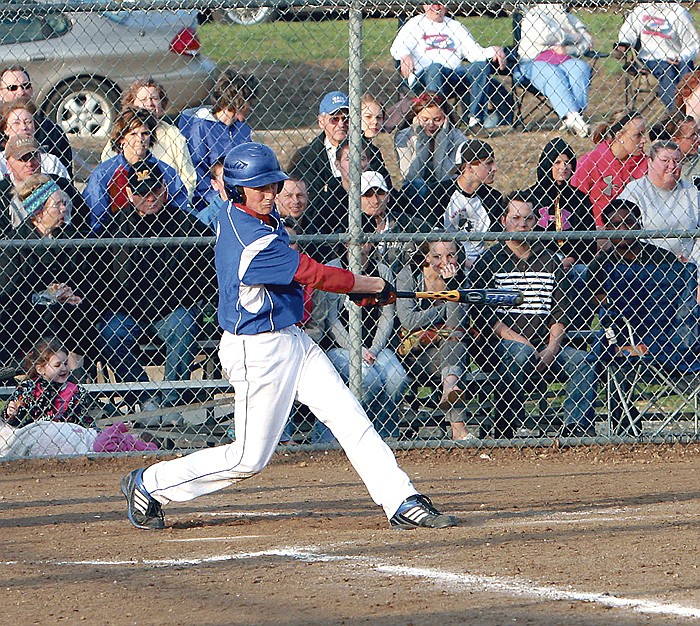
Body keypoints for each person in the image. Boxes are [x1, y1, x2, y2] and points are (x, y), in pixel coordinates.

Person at [120, 141, 458, 531]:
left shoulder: (249, 214)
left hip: (292, 341)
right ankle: (150, 484)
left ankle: (401, 499)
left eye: (272, 186)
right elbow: (315, 274)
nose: (269, 195)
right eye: (258, 188)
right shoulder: (252, 241)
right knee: (249, 458)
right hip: (257, 349)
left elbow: (301, 282)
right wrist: (369, 284)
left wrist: (364, 289)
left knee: (350, 416)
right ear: (235, 190)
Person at [469, 191, 598, 439]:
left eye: (528, 219)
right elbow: (484, 315)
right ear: (503, 220)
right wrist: (522, 342)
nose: (522, 225)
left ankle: (574, 428)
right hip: (503, 346)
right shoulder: (490, 260)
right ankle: (506, 425)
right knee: (520, 354)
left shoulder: (550, 260)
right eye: (516, 218)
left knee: (583, 360)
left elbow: (560, 313)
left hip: (545, 346)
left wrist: (551, 349)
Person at [86, 160, 215, 404]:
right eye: (141, 192)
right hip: (127, 311)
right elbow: (98, 277)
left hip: (170, 310)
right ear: (128, 193)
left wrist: (190, 297)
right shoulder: (114, 227)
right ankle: (145, 397)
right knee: (111, 331)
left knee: (184, 323)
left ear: (165, 186)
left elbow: (209, 270)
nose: (150, 198)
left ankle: (170, 398)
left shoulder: (185, 223)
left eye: (155, 190)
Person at [587, 198, 684, 435]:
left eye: (629, 222)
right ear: (607, 230)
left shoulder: (662, 259)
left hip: (668, 333)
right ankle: (626, 428)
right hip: (625, 334)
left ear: (639, 224)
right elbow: (595, 302)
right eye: (616, 224)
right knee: (611, 342)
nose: (623, 229)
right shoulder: (601, 264)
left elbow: (683, 297)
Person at [311, 242, 410, 441]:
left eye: (364, 241)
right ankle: (340, 435)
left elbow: (387, 316)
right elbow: (332, 321)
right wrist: (357, 350)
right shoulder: (334, 268)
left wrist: (373, 349)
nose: (360, 246)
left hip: (377, 348)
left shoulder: (381, 271)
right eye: (354, 241)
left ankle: (384, 434)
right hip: (340, 348)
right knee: (368, 380)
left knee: (397, 378)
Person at [0, 337, 158, 457]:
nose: (63, 368)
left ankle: (136, 442)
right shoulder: (28, 389)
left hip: (69, 435)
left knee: (96, 440)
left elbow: (84, 423)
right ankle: (131, 440)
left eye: (65, 363)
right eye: (57, 365)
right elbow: (21, 425)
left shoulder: (75, 391)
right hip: (42, 436)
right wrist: (11, 413)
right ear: (40, 369)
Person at [11, 174, 94, 376]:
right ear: (38, 211)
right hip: (29, 316)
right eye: (57, 205)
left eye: (64, 203)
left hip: (70, 309)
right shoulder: (17, 243)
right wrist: (47, 296)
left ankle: (75, 388)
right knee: (54, 315)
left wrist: (69, 293)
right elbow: (12, 293)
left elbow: (86, 277)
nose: (64, 209)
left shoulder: (71, 237)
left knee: (78, 315)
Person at [395, 239, 472, 441]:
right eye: (437, 256)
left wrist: (453, 285)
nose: (444, 262)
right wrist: (446, 306)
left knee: (454, 341)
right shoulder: (410, 275)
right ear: (427, 256)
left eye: (450, 255)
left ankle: (450, 389)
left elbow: (457, 324)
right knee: (455, 347)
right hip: (415, 354)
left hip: (450, 350)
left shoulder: (460, 277)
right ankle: (458, 427)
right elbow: (409, 320)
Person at [390, 1, 508, 128]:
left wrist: (494, 50)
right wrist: (404, 56)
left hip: (453, 77)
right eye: (431, 3)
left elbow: (476, 53)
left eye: (440, 3)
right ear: (424, 5)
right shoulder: (415, 24)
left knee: (481, 65)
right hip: (423, 78)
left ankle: (475, 120)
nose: (436, 7)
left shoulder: (455, 26)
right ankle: (439, 120)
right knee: (436, 67)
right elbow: (397, 47)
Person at [527, 137, 597, 334]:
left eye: (567, 162)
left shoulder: (580, 198)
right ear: (547, 164)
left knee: (584, 275)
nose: (563, 167)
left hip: (573, 262)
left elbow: (588, 239)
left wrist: (571, 258)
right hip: (540, 263)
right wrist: (550, 260)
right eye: (557, 162)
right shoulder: (532, 196)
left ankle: (578, 331)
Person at [84, 107, 190, 232]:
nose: (140, 139)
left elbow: (179, 210)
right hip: (117, 237)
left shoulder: (166, 172)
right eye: (133, 134)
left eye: (145, 133)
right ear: (122, 139)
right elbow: (96, 217)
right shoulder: (104, 173)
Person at [289, 90, 390, 219]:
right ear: (321, 121)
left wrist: (329, 187)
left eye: (346, 119)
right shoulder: (307, 157)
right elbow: (309, 199)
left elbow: (384, 189)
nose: (341, 124)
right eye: (334, 119)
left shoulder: (369, 151)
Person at [101, 78, 197, 199]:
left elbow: (188, 178)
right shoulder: (123, 133)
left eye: (155, 99)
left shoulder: (173, 134)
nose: (150, 103)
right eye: (143, 99)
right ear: (132, 103)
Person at [618, 140, 700, 279]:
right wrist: (662, 261)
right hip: (648, 267)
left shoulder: (691, 191)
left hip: (688, 266)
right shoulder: (635, 191)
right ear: (650, 162)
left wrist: (692, 263)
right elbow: (626, 236)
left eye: (676, 160)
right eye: (665, 160)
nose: (672, 166)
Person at [178, 70, 256, 211]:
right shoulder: (201, 126)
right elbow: (198, 171)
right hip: (209, 201)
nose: (251, 108)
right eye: (250, 102)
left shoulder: (242, 130)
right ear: (242, 104)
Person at [515, 2, 594, 138]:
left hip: (562, 59)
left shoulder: (567, 17)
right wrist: (572, 36)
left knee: (580, 67)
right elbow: (544, 35)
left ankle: (576, 116)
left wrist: (569, 49)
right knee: (553, 74)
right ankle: (572, 117)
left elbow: (588, 40)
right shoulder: (533, 14)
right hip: (533, 61)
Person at [431, 138, 504, 266]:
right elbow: (433, 234)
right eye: (488, 163)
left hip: (482, 263)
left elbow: (500, 239)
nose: (495, 168)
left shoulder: (492, 197)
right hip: (447, 261)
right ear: (469, 166)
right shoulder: (440, 192)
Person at [571, 109, 648, 228]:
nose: (644, 140)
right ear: (619, 136)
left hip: (637, 232)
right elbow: (574, 202)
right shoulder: (590, 162)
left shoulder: (646, 163)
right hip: (599, 232)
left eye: (644, 134)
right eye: (638, 135)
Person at [616, 2, 699, 112]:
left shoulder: (679, 12)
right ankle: (678, 114)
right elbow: (628, 32)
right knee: (667, 71)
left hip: (677, 58)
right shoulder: (641, 9)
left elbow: (692, 45)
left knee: (686, 71)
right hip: (648, 58)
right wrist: (623, 44)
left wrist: (681, 57)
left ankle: (691, 110)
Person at [0, 136, 87, 234]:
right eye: (22, 159)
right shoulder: (3, 193)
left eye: (34, 156)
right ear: (8, 165)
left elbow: (85, 221)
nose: (29, 164)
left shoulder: (61, 184)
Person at [0, 66, 73, 177]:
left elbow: (66, 177)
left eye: (26, 86)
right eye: (13, 87)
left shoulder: (51, 131)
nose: (21, 92)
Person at [394, 92, 466, 202]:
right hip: (415, 192)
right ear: (415, 117)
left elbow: (443, 177)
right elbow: (411, 176)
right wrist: (422, 140)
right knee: (418, 184)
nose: (431, 124)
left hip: (446, 191)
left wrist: (441, 139)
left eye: (437, 119)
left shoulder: (458, 138)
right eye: (425, 119)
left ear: (446, 118)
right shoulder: (403, 137)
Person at [360, 170, 420, 272]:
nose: (375, 201)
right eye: (368, 195)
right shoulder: (350, 227)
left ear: (388, 197)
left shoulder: (404, 221)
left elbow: (435, 232)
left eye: (380, 193)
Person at [0, 100, 69, 179]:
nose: (24, 127)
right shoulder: (1, 162)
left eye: (28, 122)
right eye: (16, 123)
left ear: (35, 127)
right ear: (5, 129)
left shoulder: (51, 162)